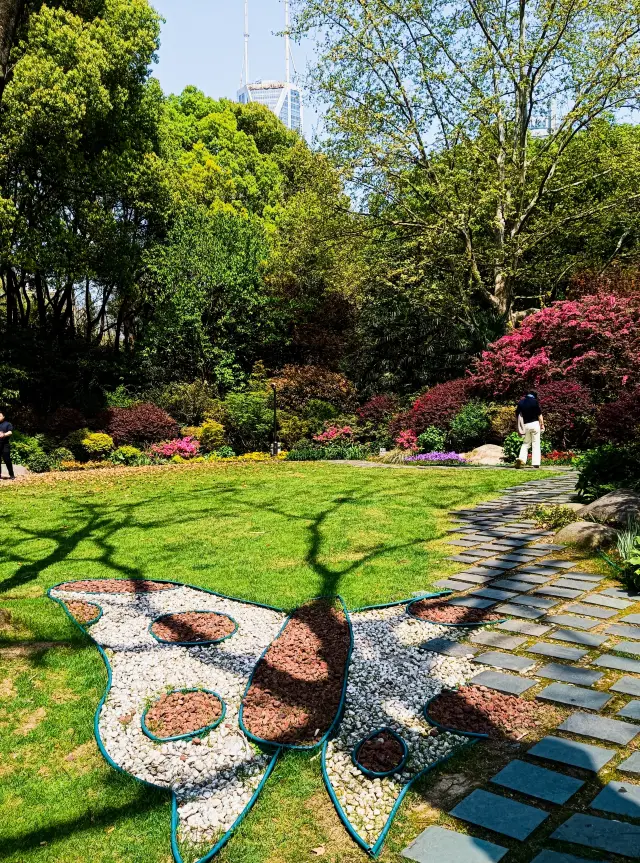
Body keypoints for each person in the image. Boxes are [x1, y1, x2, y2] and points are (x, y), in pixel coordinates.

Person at [515, 391, 545, 468]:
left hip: (526, 425)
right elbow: (539, 414)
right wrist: (542, 424)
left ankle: (521, 459)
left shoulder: (521, 402)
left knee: (525, 443)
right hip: (535, 424)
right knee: (536, 443)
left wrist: (518, 427)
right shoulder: (535, 402)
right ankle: (536, 463)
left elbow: (517, 415)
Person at [0, 411, 15, 480]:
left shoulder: (7, 424)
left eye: (0, 416)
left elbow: (10, 432)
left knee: (7, 460)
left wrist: (4, 435)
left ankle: (11, 475)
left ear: (3, 417)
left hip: (5, 445)